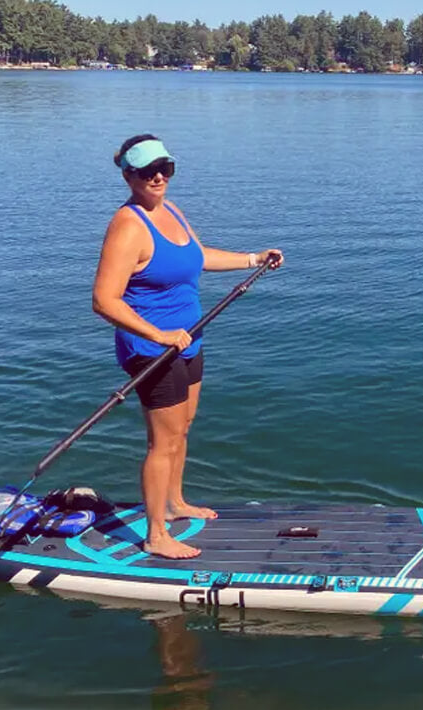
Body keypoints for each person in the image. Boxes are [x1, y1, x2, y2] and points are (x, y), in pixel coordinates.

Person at [93, 134, 282, 559]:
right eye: (147, 171)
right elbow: (104, 300)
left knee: (183, 428)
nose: (158, 177)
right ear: (128, 175)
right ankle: (156, 534)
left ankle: (175, 504)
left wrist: (253, 258)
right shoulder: (128, 225)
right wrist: (157, 335)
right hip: (153, 349)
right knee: (162, 441)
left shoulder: (171, 210)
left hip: (189, 339)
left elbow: (196, 256)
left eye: (165, 168)